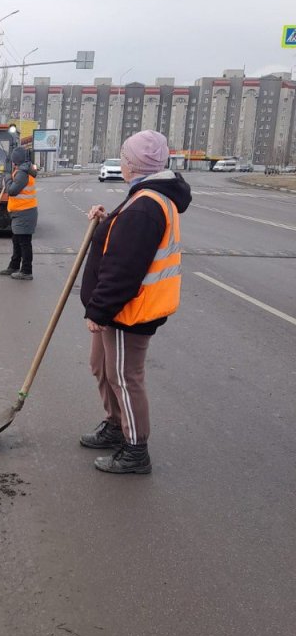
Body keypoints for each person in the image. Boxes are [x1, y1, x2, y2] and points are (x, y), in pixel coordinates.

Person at [80, 130, 192, 475]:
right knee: (102, 366)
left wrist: (100, 309)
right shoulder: (143, 197)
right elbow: (121, 238)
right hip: (121, 307)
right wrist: (105, 219)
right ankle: (115, 424)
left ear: (133, 164)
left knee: (125, 377)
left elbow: (125, 266)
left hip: (130, 309)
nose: (122, 162)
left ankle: (135, 449)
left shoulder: (146, 205)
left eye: (124, 158)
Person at [0, 146, 37, 280]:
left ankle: (26, 271)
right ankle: (14, 265)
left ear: (16, 160)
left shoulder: (22, 173)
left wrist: (7, 179)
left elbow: (12, 191)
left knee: (24, 242)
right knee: (17, 240)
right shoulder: (23, 169)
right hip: (20, 212)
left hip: (25, 212)